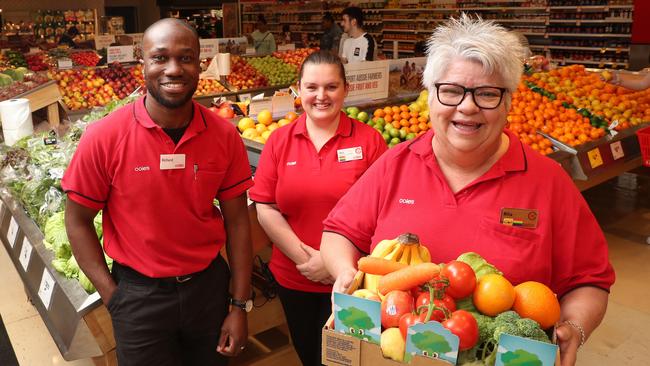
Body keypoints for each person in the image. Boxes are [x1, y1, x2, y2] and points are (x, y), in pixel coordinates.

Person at [320, 15, 615, 366]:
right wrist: (345, 274)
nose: (468, 106)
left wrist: (575, 327)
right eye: (452, 90)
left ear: (508, 103)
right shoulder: (395, 164)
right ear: (429, 96)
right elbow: (339, 232)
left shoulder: (549, 182)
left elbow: (590, 279)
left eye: (487, 93)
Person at [63, 18, 254, 366]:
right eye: (160, 58)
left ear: (200, 64)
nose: (173, 69)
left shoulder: (224, 136)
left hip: (208, 290)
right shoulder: (104, 137)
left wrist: (240, 304)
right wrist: (113, 298)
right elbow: (77, 221)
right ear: (143, 65)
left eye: (186, 58)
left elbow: (238, 221)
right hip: (139, 297)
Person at [249, 51, 387, 365]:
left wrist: (334, 264)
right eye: (312, 87)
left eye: (331, 87)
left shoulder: (370, 141)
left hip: (354, 281)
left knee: (349, 358)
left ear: (345, 89)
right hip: (294, 275)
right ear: (299, 90)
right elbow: (266, 207)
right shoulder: (279, 140)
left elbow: (382, 213)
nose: (321, 96)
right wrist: (307, 259)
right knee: (308, 352)